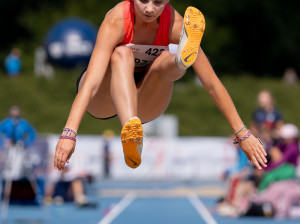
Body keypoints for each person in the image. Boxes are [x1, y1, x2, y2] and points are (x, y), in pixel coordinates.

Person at [54, 0, 267, 171]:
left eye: (157, 2)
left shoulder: (174, 23)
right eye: (143, 1)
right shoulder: (117, 20)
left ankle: (180, 61)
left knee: (167, 58)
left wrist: (242, 133)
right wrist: (69, 133)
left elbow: (211, 83)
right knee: (121, 54)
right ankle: (131, 130)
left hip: (145, 100)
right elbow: (91, 83)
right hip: (103, 99)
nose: (149, 9)